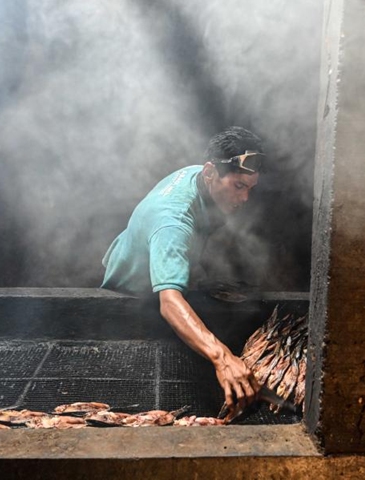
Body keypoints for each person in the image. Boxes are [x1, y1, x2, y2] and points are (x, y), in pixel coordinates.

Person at [101, 126, 266, 414]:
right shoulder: (172, 222)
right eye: (239, 186)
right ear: (210, 173)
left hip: (157, 268)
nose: (244, 199)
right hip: (133, 294)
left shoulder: (199, 176)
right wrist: (222, 358)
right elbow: (168, 303)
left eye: (250, 188)